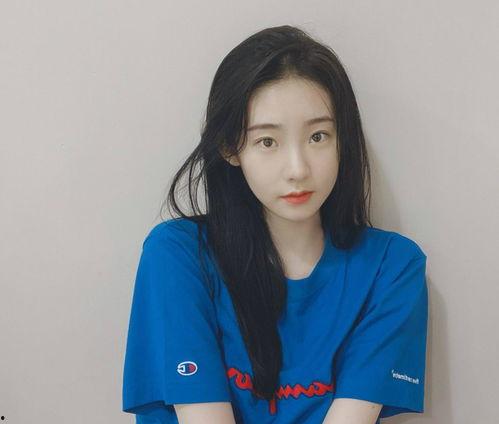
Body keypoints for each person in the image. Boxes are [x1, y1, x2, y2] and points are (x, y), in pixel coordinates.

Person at [121, 25, 429, 424]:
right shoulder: (179, 256)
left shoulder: (391, 267)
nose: (298, 169)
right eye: (267, 141)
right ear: (230, 148)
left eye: (318, 136)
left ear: (343, 140)